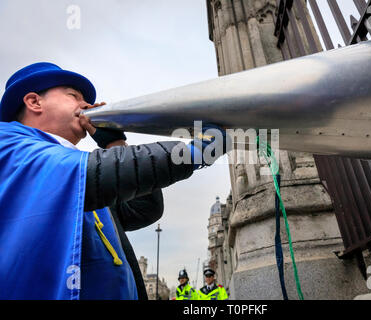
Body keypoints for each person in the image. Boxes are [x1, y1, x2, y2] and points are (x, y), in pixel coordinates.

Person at [0, 62, 228, 300]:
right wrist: (196, 152)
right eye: (74, 96)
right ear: (34, 102)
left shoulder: (73, 169)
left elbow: (144, 208)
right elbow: (101, 172)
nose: (86, 105)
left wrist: (114, 144)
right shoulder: (9, 143)